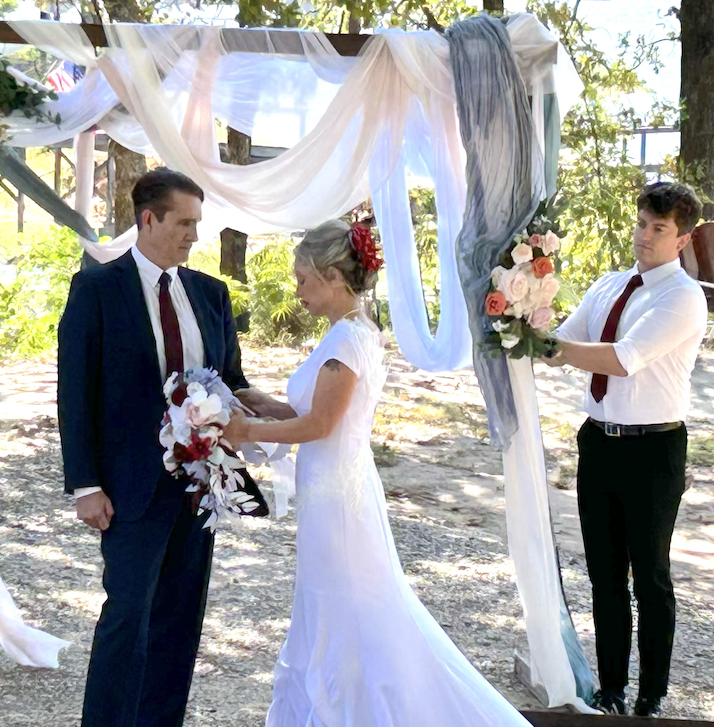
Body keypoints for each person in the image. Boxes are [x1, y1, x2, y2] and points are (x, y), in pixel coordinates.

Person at [222, 219, 535, 727]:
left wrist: (247, 431)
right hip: (332, 487)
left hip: (338, 499)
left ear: (331, 276)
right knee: (335, 603)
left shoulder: (346, 341)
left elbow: (322, 425)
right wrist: (268, 406)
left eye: (303, 279)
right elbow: (319, 415)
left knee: (352, 605)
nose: (297, 291)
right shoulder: (351, 332)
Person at [58, 168, 269, 727]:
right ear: (148, 219)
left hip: (201, 488)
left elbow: (233, 379)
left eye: (197, 224)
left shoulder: (210, 293)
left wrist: (295, 412)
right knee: (126, 616)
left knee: (180, 621)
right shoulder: (97, 289)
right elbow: (75, 390)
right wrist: (85, 484)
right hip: (130, 488)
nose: (193, 236)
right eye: (184, 223)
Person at [542, 181, 707, 718]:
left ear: (681, 239)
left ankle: (651, 697)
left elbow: (621, 357)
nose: (644, 236)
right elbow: (563, 338)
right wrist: (520, 319)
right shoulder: (611, 284)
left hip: (653, 451)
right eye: (641, 223)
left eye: (658, 229)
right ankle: (610, 689)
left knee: (650, 576)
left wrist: (552, 348)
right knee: (604, 573)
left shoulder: (682, 298)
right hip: (600, 441)